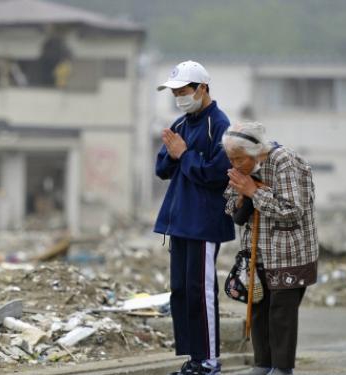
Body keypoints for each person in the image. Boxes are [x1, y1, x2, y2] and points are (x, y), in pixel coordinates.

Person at [154, 61, 235, 375]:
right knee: (181, 290)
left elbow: (216, 174)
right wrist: (177, 153)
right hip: (179, 221)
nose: (179, 97)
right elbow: (162, 169)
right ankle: (194, 358)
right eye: (175, 92)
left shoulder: (221, 125)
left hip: (203, 222)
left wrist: (185, 155)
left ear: (203, 88)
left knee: (201, 292)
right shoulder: (181, 123)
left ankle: (209, 360)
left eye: (184, 90)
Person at [221, 122, 319, 375]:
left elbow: (292, 211)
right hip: (257, 253)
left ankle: (282, 368)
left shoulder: (283, 161)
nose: (234, 165)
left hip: (289, 252)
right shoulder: (243, 169)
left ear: (255, 151)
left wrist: (254, 192)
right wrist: (243, 195)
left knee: (281, 313)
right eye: (230, 159)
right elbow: (232, 210)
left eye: (238, 159)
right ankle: (262, 364)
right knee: (259, 309)